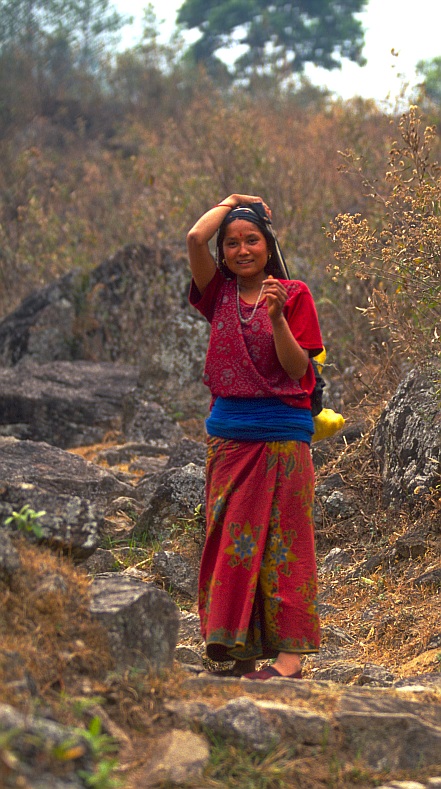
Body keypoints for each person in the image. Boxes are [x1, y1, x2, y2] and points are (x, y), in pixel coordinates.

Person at [187, 193, 323, 680]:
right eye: (232, 243)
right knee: (231, 543)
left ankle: (289, 661)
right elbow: (194, 237)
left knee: (286, 543)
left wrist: (277, 317)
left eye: (252, 240)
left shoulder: (294, 293)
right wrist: (232, 202)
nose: (242, 250)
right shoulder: (217, 294)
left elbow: (297, 369)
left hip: (283, 435)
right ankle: (239, 650)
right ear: (223, 254)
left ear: (269, 246)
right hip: (229, 438)